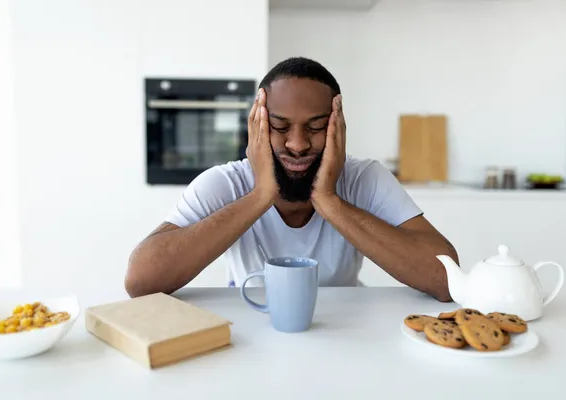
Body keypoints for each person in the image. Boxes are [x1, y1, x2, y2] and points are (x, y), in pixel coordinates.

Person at [125, 57, 459, 302]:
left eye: (315, 128)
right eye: (280, 127)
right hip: (248, 324)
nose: (297, 145)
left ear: (337, 127)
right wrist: (261, 195)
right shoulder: (224, 183)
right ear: (257, 126)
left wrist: (329, 200)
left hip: (345, 328)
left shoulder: (364, 179)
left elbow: (446, 279)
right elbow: (141, 281)